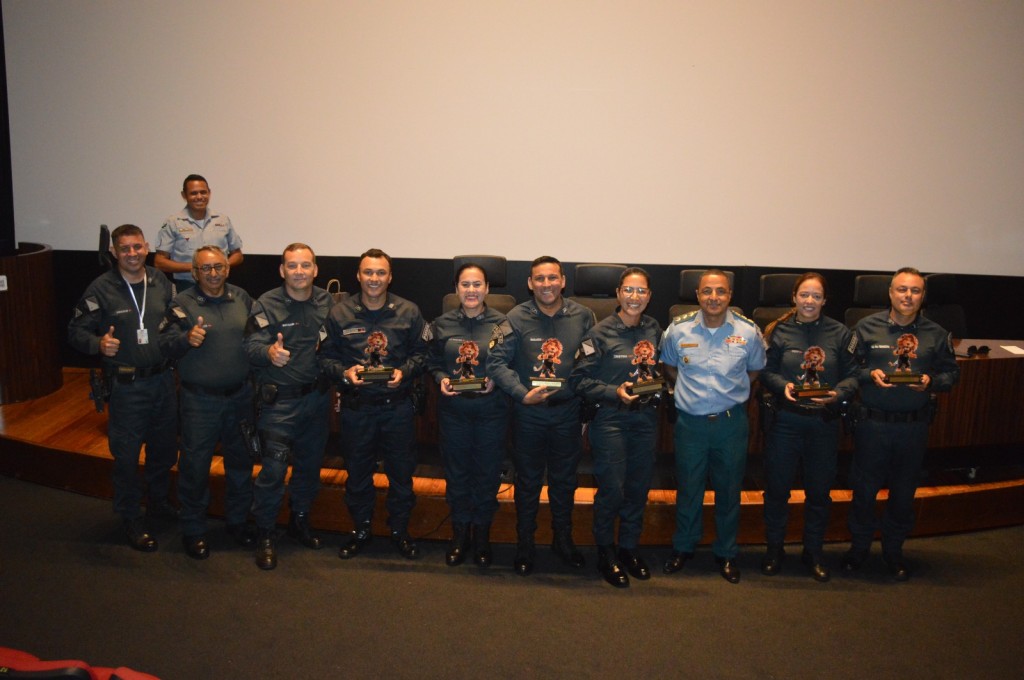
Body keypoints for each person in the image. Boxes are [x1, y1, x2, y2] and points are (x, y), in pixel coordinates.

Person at [844, 267, 959, 581]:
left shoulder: (937, 334)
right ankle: (858, 549)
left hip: (913, 428)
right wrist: (869, 375)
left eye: (915, 291)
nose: (908, 296)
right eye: (902, 289)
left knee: (903, 494)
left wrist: (931, 381)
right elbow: (847, 369)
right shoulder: (865, 328)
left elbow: (952, 375)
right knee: (864, 491)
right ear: (890, 293)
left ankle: (893, 551)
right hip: (872, 426)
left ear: (923, 296)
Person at [68, 224, 178, 551]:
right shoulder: (100, 288)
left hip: (163, 381)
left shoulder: (160, 281)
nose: (132, 254)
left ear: (147, 247)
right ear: (114, 252)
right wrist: (98, 344)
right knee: (128, 457)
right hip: (128, 387)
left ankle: (158, 503)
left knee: (163, 451)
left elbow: (175, 322)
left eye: (137, 247)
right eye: (125, 249)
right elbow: (76, 331)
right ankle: (130, 516)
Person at [487, 256, 594, 576]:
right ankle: (525, 543)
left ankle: (563, 540)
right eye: (539, 279)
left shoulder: (584, 316)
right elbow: (496, 363)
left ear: (563, 281)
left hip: (567, 413)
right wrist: (522, 394)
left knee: (565, 481)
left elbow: (592, 359)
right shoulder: (514, 318)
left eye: (552, 278)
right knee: (528, 481)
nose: (546, 284)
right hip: (529, 414)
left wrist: (578, 387)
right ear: (530, 283)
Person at [319, 248, 429, 560]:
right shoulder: (339, 313)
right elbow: (324, 358)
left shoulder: (409, 311)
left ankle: (400, 531)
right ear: (358, 275)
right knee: (357, 474)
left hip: (397, 408)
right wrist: (344, 373)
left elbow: (423, 354)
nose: (374, 278)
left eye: (381, 272)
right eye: (368, 272)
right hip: (358, 409)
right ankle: (361, 530)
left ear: (390, 277)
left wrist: (404, 372)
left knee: (401, 475)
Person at [659, 269, 766, 584]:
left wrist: (728, 395)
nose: (714, 297)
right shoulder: (677, 330)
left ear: (730, 295)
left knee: (729, 491)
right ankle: (684, 547)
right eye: (707, 291)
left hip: (730, 424)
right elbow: (669, 367)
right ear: (697, 295)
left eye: (720, 291)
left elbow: (755, 371)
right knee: (688, 489)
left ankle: (726, 552)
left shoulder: (748, 332)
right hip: (690, 424)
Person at [758, 272, 858, 582]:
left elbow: (854, 376)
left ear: (825, 300)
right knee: (777, 491)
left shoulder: (841, 333)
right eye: (804, 295)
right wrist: (782, 386)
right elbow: (765, 371)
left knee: (819, 493)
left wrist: (838, 393)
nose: (809, 301)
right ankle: (774, 550)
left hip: (822, 424)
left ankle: (813, 552)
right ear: (794, 297)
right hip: (785, 422)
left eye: (816, 296)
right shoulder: (777, 330)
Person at [158, 246, 256, 560]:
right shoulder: (182, 303)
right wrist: (186, 339)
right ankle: (194, 529)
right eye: (205, 268)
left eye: (218, 267)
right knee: (195, 467)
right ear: (195, 272)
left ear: (227, 268)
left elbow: (258, 337)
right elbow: (164, 343)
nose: (213, 274)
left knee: (241, 464)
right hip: (200, 402)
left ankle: (238, 522)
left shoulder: (242, 298)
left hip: (240, 398)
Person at [569, 267, 664, 588]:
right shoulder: (598, 333)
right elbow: (578, 380)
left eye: (641, 291)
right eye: (629, 290)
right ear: (618, 293)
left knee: (638, 488)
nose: (635, 297)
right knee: (612, 490)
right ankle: (605, 552)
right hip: (611, 420)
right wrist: (614, 392)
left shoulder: (654, 328)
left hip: (645, 419)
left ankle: (628, 548)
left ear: (649, 296)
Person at [244, 243, 333, 570]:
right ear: (282, 270)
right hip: (279, 403)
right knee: (273, 471)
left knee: (309, 467)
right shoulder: (265, 304)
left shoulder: (327, 302)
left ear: (315, 269)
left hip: (316, 399)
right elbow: (250, 344)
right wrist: (268, 353)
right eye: (292, 266)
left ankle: (299, 521)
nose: (299, 271)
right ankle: (265, 533)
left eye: (305, 265)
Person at [425, 263, 510, 568]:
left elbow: (511, 362)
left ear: (487, 288)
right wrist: (440, 379)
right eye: (465, 284)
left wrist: (495, 380)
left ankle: (482, 536)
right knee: (457, 474)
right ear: (456, 289)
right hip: (455, 413)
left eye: (477, 284)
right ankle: (460, 534)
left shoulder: (503, 325)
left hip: (491, 412)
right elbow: (431, 362)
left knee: (487, 475)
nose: (471, 290)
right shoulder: (441, 324)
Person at [154, 174, 243, 292]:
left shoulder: (222, 220)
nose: (199, 197)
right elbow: (159, 262)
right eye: (193, 193)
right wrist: (196, 267)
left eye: (203, 192)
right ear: (184, 195)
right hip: (187, 286)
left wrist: (222, 265)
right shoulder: (173, 222)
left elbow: (238, 255)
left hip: (220, 285)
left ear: (209, 193)